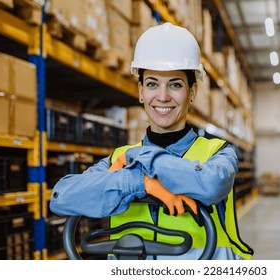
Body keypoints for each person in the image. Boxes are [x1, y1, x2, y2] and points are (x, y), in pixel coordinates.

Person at [50, 22, 253, 260]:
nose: (163, 96)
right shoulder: (118, 158)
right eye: (152, 84)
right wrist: (141, 182)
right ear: (140, 92)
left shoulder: (218, 152)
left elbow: (210, 185)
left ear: (192, 93)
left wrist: (141, 159)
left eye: (175, 84)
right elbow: (61, 197)